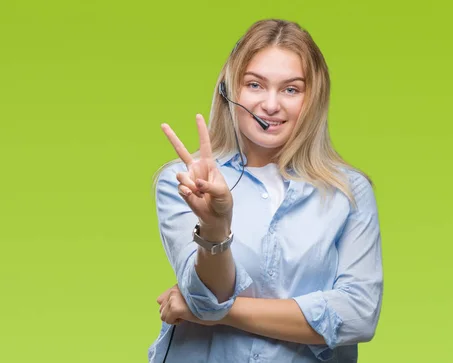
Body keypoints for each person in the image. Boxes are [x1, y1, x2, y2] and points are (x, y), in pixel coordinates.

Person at [148, 19, 383, 363]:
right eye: (255, 85)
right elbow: (206, 294)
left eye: (291, 89)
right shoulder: (183, 180)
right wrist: (216, 225)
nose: (271, 105)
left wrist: (217, 312)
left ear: (312, 98)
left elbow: (358, 315)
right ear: (230, 91)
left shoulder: (348, 192)